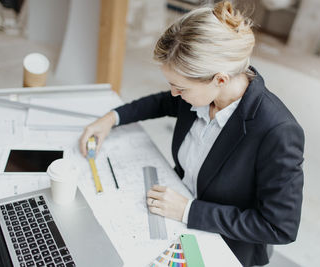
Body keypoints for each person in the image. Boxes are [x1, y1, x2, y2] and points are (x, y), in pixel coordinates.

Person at [79, 1, 305, 266]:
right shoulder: (199, 94)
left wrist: (188, 210)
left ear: (220, 80)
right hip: (174, 211)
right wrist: (111, 118)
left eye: (180, 87)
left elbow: (280, 227)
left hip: (223, 241)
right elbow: (162, 102)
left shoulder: (277, 132)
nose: (175, 94)